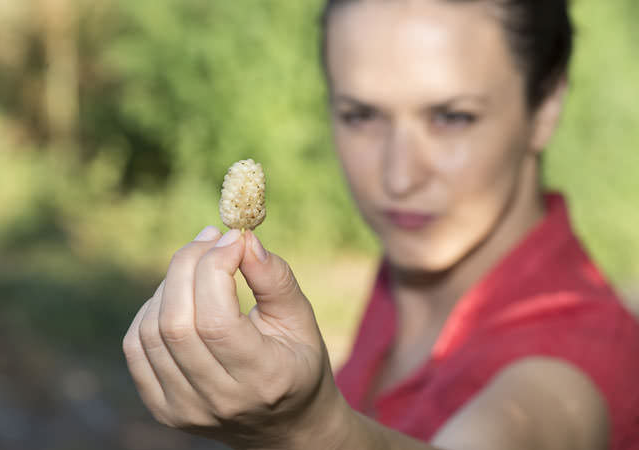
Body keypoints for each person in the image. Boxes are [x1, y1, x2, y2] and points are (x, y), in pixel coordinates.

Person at [122, 0, 639, 448]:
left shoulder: (573, 359)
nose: (398, 176)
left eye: (452, 117)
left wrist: (309, 429)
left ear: (545, 107)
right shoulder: (413, 278)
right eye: (360, 116)